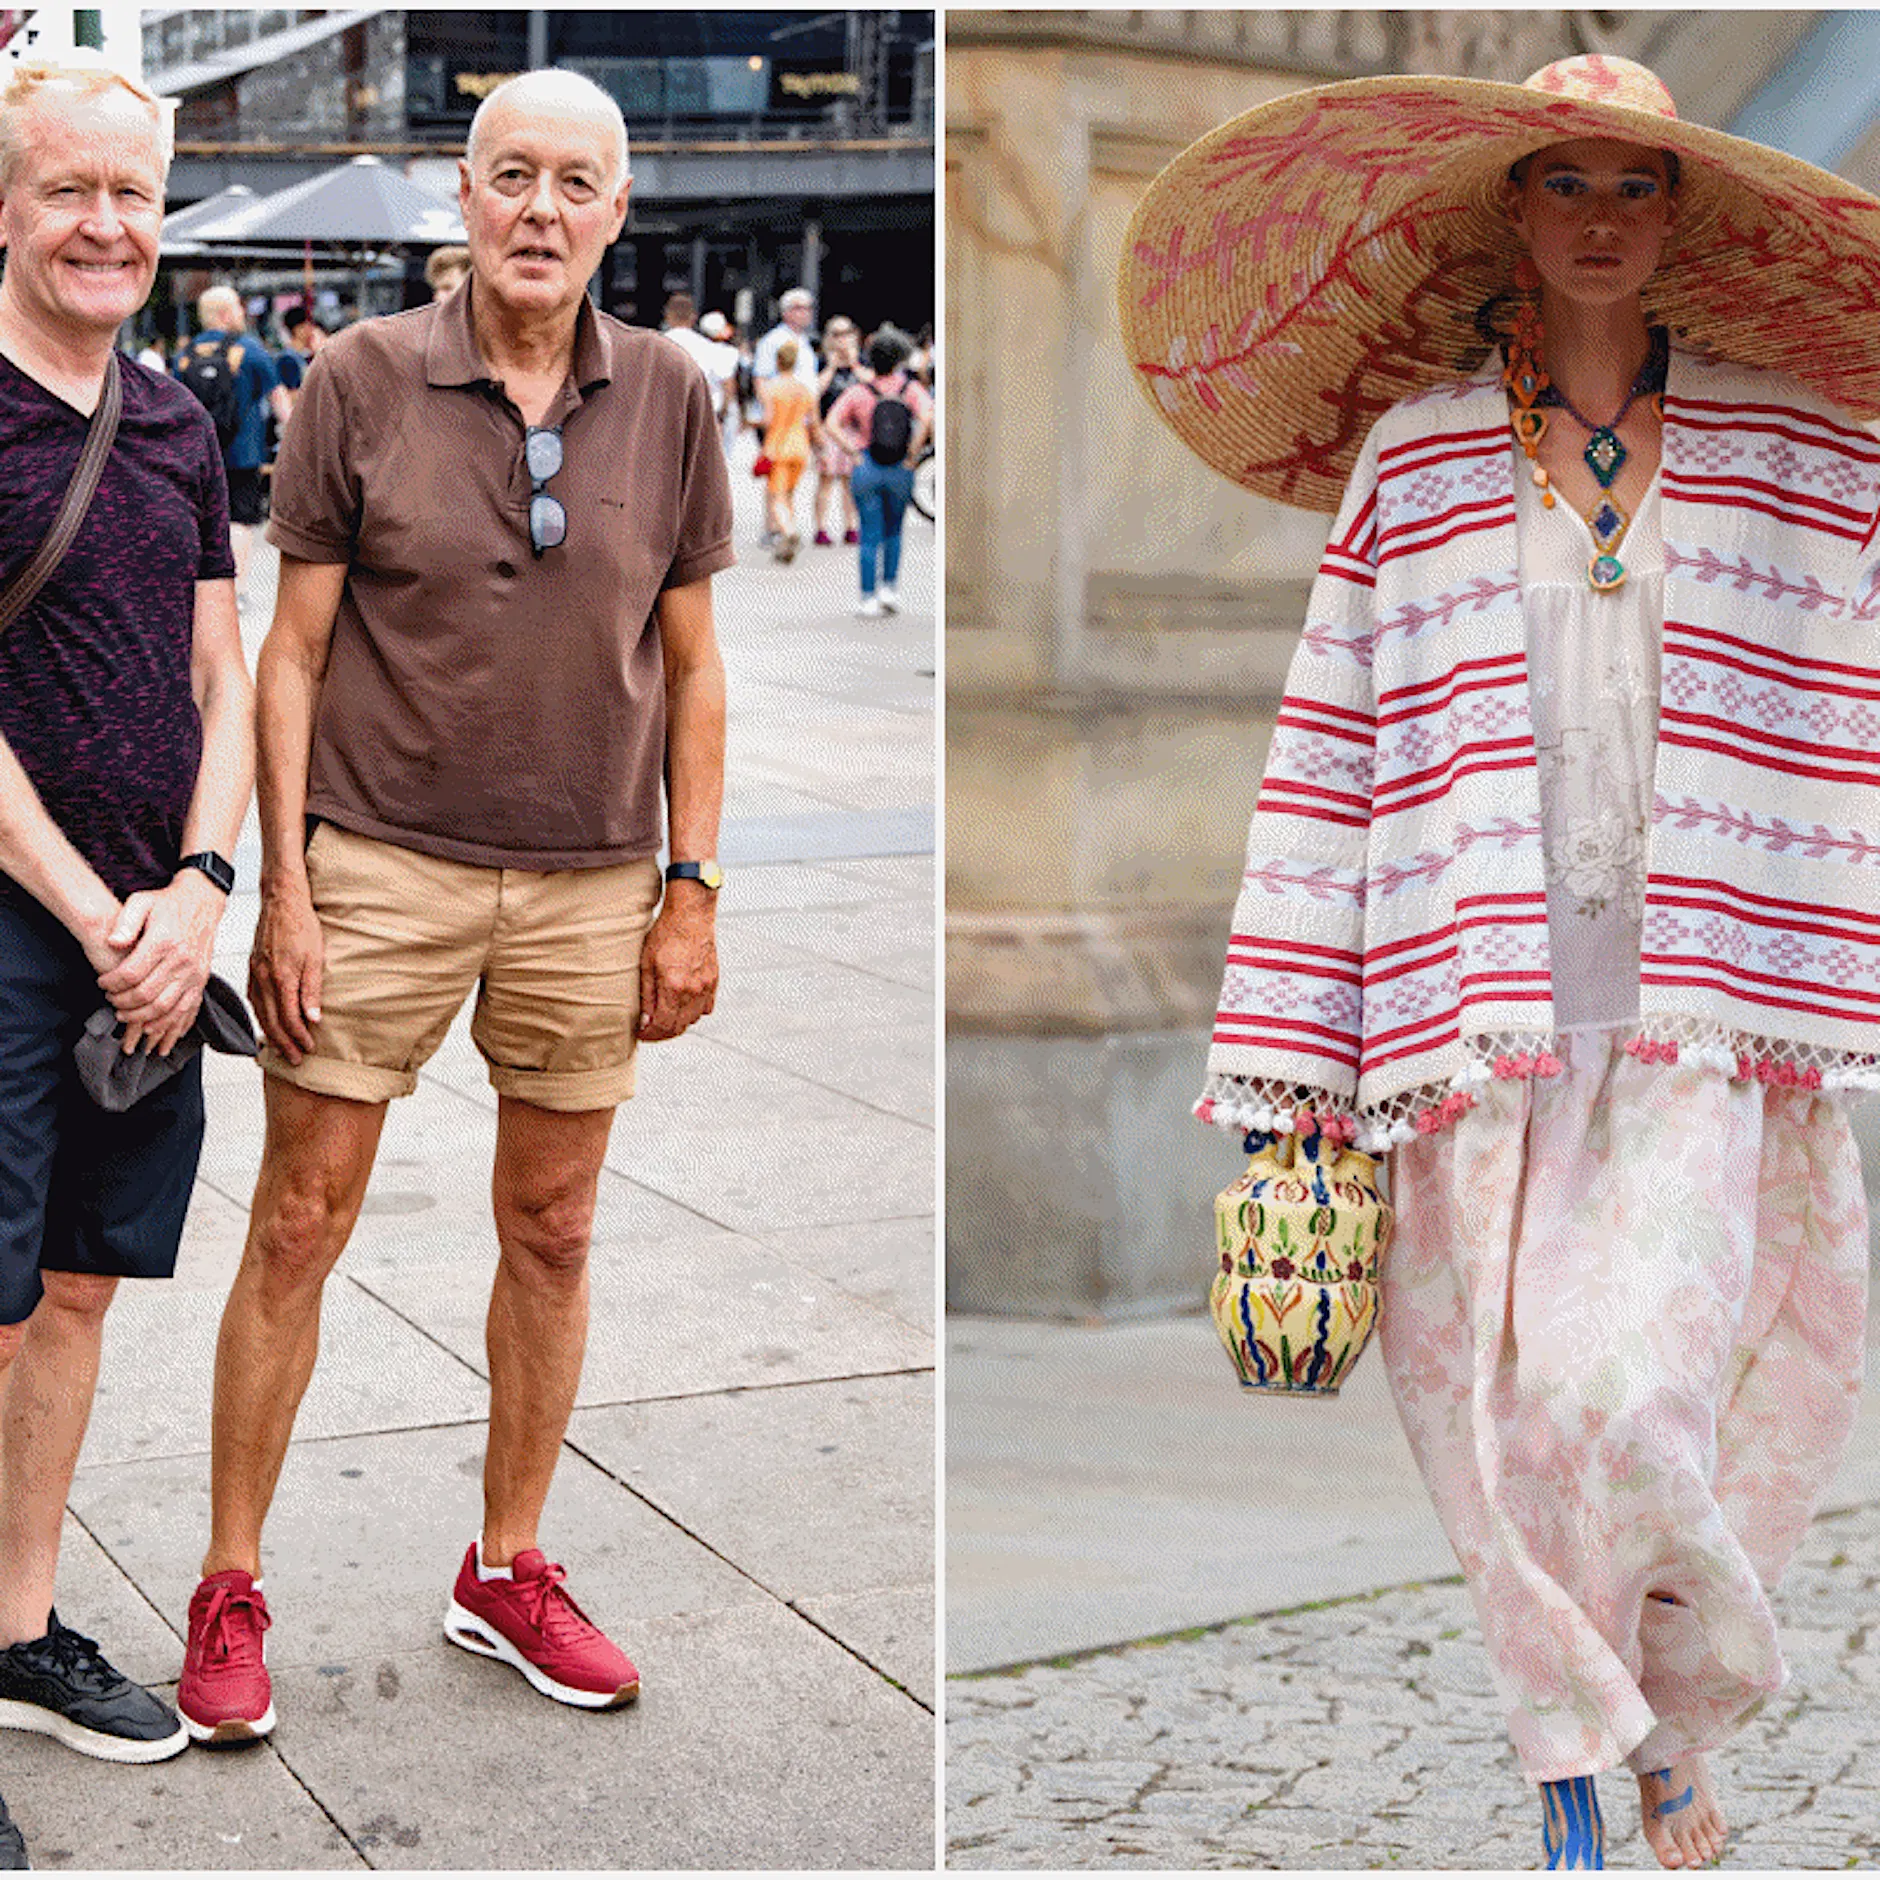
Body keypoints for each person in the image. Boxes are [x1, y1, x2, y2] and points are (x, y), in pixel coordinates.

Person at [1122, 53, 1880, 1874]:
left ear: (1678, 217)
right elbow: (1328, 761)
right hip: (1472, 1029)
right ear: (1513, 215)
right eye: (1568, 187)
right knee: (1511, 1424)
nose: (1603, 222)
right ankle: (1576, 1773)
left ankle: (1665, 1721)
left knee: (1636, 1400)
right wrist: (1294, 1075)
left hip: (1705, 1018)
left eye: (1637, 189)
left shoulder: (1805, 450)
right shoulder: (1420, 459)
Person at [174, 64, 732, 1745]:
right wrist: (286, 887)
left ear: (618, 214)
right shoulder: (358, 378)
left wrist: (691, 889)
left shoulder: (676, 399)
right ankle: (228, 1580)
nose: (541, 209)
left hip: (590, 878)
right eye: (510, 176)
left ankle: (507, 1565)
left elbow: (697, 671)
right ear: (463, 198)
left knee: (554, 1227)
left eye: (576, 182)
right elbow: (295, 651)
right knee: (298, 1221)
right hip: (383, 862)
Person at [0, 55, 255, 1861]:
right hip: (24, 934)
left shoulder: (174, 415)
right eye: (71, 190)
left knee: (78, 1294)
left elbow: (224, 672)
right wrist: (99, 919)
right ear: (5, 206)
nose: (109, 225)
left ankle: (13, 1632)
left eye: (135, 197)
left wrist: (202, 886)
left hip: (154, 940)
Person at [176, 283, 287, 604]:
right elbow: (279, 402)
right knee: (240, 520)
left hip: (196, 454)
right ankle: (235, 593)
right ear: (226, 314)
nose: (243, 313)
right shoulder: (251, 351)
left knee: (201, 519)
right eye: (239, 307)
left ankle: (200, 589)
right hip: (244, 453)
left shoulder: (185, 355)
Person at [826, 327, 932, 618]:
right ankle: (889, 587)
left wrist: (852, 451)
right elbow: (927, 416)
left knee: (869, 533)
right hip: (900, 467)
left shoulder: (859, 391)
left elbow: (831, 423)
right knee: (894, 531)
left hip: (867, 465)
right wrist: (913, 451)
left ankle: (867, 597)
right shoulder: (910, 390)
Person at [757, 336, 820, 562]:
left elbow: (768, 419)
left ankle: (788, 531)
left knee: (776, 497)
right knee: (790, 495)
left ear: (777, 362)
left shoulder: (770, 388)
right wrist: (818, 446)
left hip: (777, 446)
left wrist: (753, 423)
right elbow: (813, 422)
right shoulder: (805, 390)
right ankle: (786, 543)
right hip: (800, 445)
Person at [813, 315, 861, 547]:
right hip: (827, 428)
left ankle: (851, 526)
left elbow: (871, 385)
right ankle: (821, 528)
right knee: (826, 478)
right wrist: (832, 366)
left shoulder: (860, 361)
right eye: (836, 334)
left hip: (853, 429)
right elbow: (815, 391)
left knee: (850, 481)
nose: (842, 339)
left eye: (846, 333)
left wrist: (853, 364)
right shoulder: (822, 362)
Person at [753, 284, 817, 392]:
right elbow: (761, 380)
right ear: (785, 312)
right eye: (799, 308)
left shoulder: (805, 340)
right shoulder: (773, 340)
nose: (806, 312)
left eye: (809, 308)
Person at [698, 309, 742, 457]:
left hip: (703, 409)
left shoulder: (699, 350)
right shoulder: (728, 353)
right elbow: (728, 385)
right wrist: (724, 412)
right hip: (720, 411)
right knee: (724, 455)